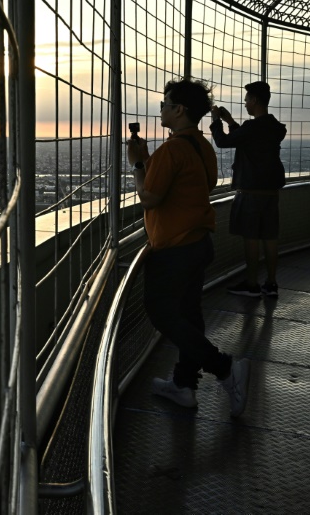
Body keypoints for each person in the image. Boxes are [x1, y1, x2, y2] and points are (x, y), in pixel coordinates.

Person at [127, 78, 251, 416]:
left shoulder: (173, 149)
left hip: (174, 248)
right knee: (189, 316)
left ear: (179, 110)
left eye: (166, 104)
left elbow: (150, 197)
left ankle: (224, 368)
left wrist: (138, 165)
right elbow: (197, 184)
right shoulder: (201, 146)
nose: (162, 109)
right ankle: (184, 385)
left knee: (162, 312)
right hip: (198, 242)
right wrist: (150, 164)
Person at [209, 81, 287, 298]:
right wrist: (231, 122)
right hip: (271, 193)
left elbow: (223, 142)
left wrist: (216, 121)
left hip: (251, 193)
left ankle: (252, 283)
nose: (245, 104)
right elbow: (246, 139)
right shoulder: (274, 127)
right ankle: (271, 283)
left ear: (254, 100)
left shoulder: (253, 128)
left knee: (251, 238)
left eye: (246, 100)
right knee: (270, 238)